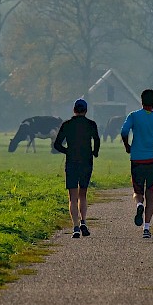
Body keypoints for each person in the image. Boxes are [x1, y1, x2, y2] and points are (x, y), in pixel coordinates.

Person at [120, 89, 153, 239]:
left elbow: (124, 131)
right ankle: (146, 228)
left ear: (141, 100)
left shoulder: (133, 116)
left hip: (137, 159)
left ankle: (139, 205)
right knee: (151, 194)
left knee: (138, 191)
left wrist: (127, 146)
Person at [53, 98, 100, 238]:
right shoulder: (91, 124)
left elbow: (56, 144)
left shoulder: (67, 124)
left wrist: (67, 151)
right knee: (83, 194)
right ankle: (84, 221)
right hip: (86, 161)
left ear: (74, 110)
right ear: (86, 110)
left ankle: (75, 227)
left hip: (72, 161)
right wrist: (95, 153)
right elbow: (97, 140)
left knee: (72, 196)